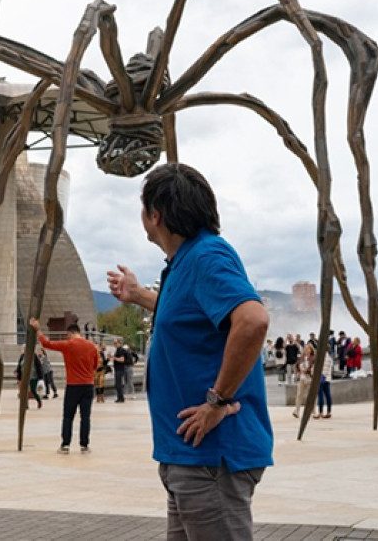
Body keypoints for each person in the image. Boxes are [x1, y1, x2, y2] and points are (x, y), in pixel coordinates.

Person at [107, 163, 272, 540]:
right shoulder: (184, 263)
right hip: (188, 455)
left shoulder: (206, 256)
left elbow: (253, 320)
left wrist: (217, 400)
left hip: (211, 458)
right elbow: (192, 314)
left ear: (155, 214)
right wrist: (139, 296)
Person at [29, 319, 99, 453]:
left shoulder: (68, 345)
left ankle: (65, 444)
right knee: (85, 417)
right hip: (88, 385)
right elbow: (95, 365)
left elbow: (47, 343)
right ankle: (84, 445)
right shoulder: (92, 346)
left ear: (70, 333)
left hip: (73, 385)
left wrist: (38, 329)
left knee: (68, 416)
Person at [292, 343, 315, 419]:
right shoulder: (301, 358)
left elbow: (314, 368)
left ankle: (313, 410)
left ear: (311, 350)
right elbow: (297, 366)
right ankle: (297, 410)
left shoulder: (313, 358)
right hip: (302, 378)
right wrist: (298, 372)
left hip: (310, 378)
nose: (306, 350)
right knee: (299, 394)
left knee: (311, 395)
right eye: (305, 349)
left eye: (308, 349)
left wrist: (308, 370)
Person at [314, 346, 333, 420]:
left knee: (320, 395)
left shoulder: (320, 357)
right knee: (328, 395)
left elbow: (318, 367)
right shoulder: (330, 358)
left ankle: (320, 412)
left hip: (321, 378)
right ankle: (329, 411)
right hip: (327, 378)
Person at [111, 338, 128, 402]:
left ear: (119, 343)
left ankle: (121, 398)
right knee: (117, 384)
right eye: (114, 343)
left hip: (120, 369)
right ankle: (119, 397)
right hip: (117, 369)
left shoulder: (121, 350)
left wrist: (114, 358)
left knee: (118, 384)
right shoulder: (117, 350)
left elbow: (122, 359)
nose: (115, 345)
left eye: (116, 343)